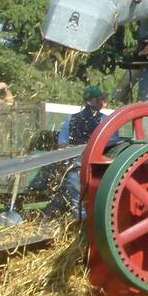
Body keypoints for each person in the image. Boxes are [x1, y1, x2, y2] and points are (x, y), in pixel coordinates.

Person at [45, 85, 108, 219]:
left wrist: (62, 168)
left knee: (76, 205)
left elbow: (62, 146)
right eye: (100, 99)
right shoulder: (106, 121)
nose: (103, 102)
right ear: (93, 101)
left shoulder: (71, 119)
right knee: (86, 209)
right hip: (99, 172)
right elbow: (112, 146)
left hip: (75, 170)